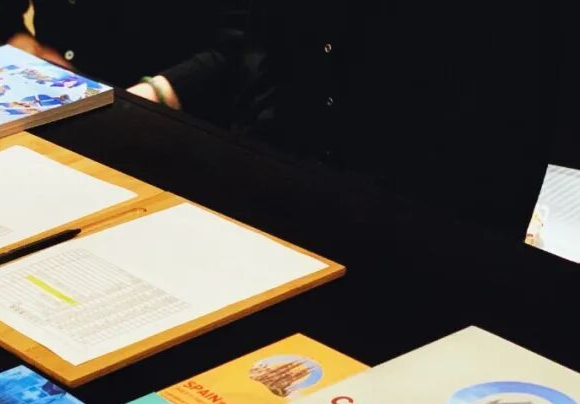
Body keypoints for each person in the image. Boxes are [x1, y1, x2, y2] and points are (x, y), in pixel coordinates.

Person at [126, 0, 574, 231]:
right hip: (270, 204)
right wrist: (155, 94)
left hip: (411, 244)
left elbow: (494, 159)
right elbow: (254, 45)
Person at [0, 0, 245, 91]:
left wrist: (157, 92)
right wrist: (19, 41)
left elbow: (243, 43)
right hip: (50, 90)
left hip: (172, 107)